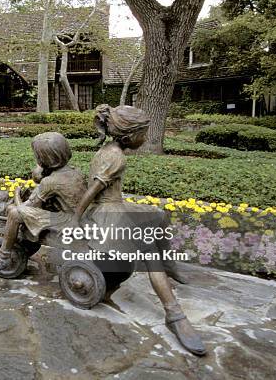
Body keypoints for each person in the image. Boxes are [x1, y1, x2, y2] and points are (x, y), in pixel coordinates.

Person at [73, 104, 206, 356]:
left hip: (116, 205)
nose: (146, 138)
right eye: (143, 133)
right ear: (128, 137)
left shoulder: (110, 149)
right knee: (148, 249)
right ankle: (173, 313)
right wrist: (76, 218)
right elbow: (92, 192)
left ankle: (169, 265)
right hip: (108, 214)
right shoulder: (116, 157)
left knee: (158, 215)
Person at [0, 132, 87, 274]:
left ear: (44, 158)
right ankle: (4, 207)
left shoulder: (50, 182)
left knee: (15, 213)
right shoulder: (76, 172)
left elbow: (26, 209)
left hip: (67, 220)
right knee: (34, 197)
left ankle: (3, 256)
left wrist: (16, 194)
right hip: (82, 215)